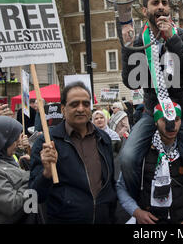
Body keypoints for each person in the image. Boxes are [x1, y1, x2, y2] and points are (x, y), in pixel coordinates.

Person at [119, 0, 183, 206]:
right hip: (151, 114)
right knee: (127, 159)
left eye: (164, 3)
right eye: (155, 3)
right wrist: (126, 46)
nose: (161, 7)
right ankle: (137, 208)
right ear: (146, 10)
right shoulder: (140, 42)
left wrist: (172, 40)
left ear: (169, 9)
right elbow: (130, 81)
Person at [28, 81, 117, 224]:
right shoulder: (46, 143)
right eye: (74, 104)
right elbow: (33, 196)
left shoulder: (103, 138)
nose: (81, 109)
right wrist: (46, 174)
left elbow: (110, 183)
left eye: (86, 104)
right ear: (63, 109)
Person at [116, 103, 183, 224]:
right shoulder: (141, 151)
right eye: (165, 119)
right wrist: (136, 212)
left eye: (176, 119)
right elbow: (121, 187)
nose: (172, 126)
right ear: (155, 121)